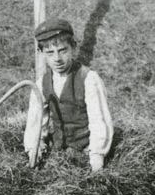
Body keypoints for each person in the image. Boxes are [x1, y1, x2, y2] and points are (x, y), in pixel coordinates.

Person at [23, 17, 114, 172]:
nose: (57, 59)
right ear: (42, 53)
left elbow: (99, 120)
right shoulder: (41, 84)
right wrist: (34, 149)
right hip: (59, 152)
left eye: (62, 51)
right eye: (50, 53)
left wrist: (97, 156)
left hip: (87, 150)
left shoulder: (89, 79)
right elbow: (35, 123)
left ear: (73, 47)